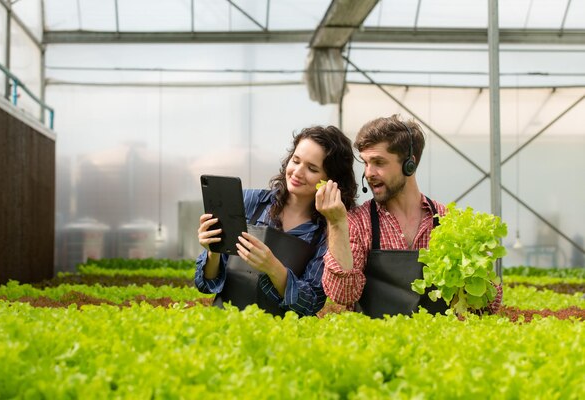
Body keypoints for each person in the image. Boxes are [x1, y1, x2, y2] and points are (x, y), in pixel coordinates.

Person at [315, 114, 502, 318]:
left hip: (441, 345)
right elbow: (343, 294)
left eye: (378, 162)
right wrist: (336, 224)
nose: (369, 173)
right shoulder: (357, 222)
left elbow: (488, 305)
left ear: (409, 164)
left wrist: (474, 278)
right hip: (377, 346)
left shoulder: (448, 221)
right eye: (366, 163)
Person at [195, 125, 357, 317]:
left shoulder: (327, 232)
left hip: (283, 340)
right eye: (295, 161)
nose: (297, 172)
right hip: (226, 327)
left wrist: (273, 267)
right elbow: (205, 284)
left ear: (330, 181)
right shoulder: (248, 202)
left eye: (312, 168)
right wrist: (213, 251)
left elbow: (311, 302)